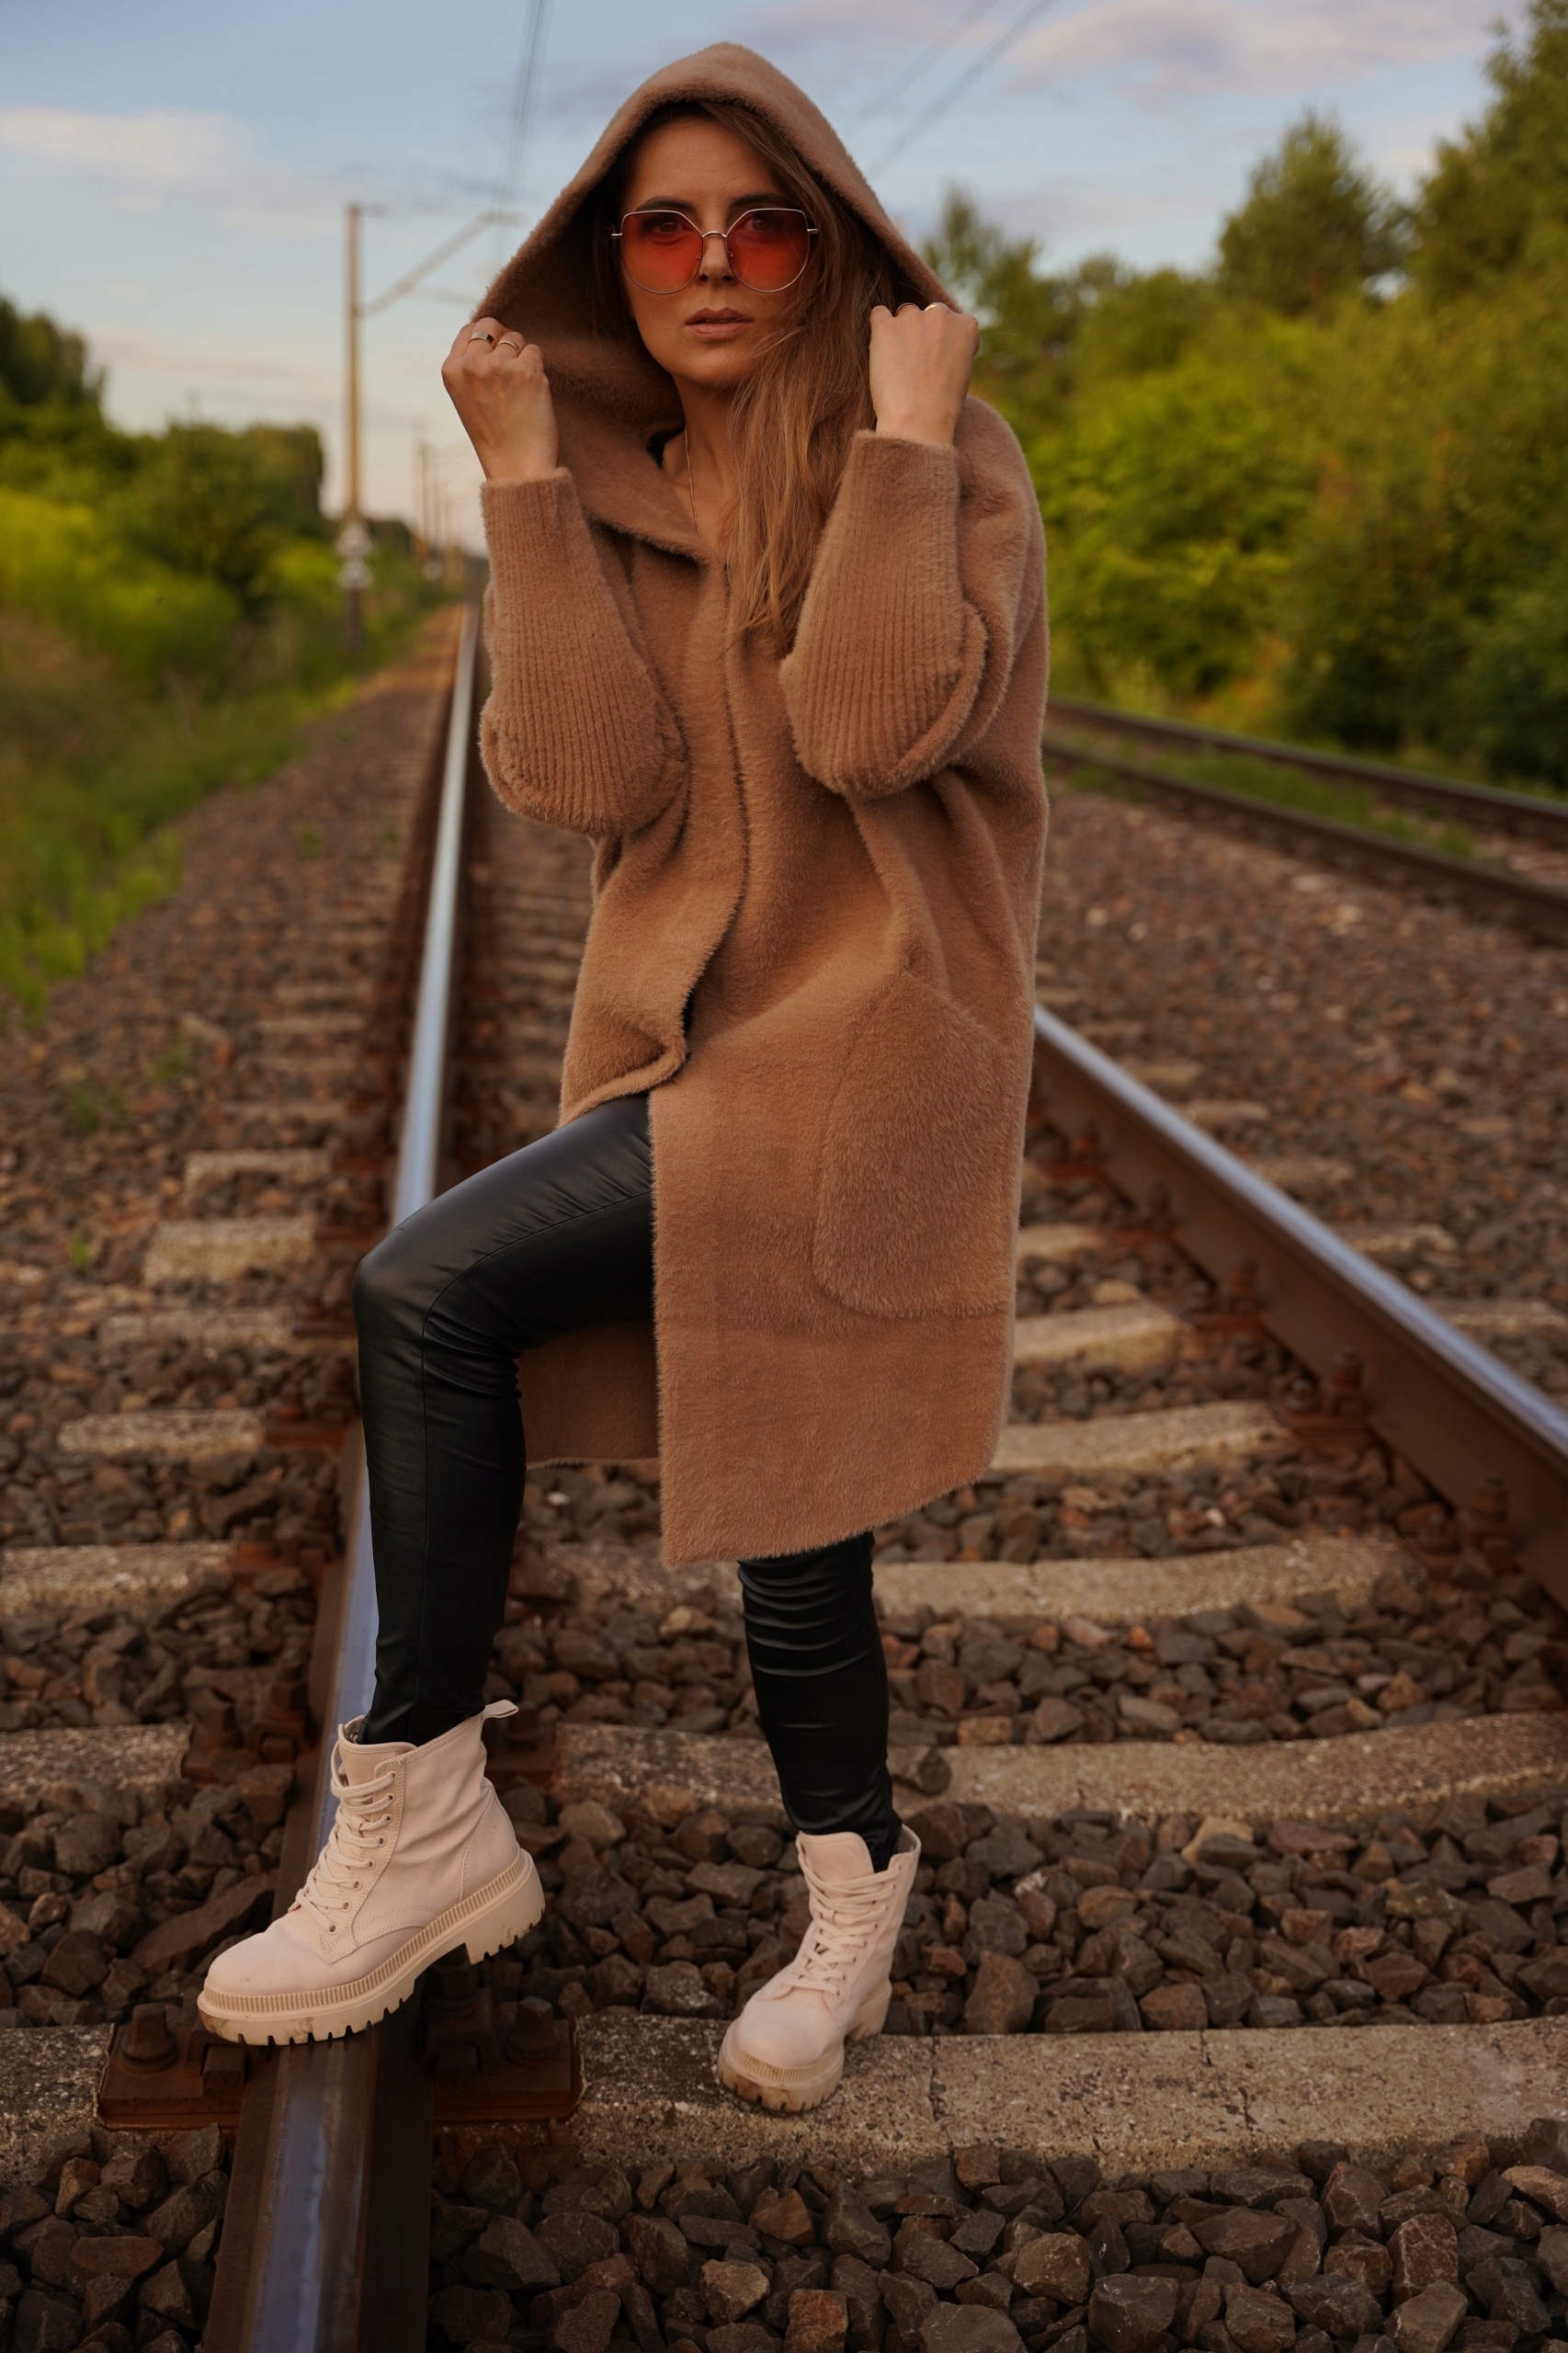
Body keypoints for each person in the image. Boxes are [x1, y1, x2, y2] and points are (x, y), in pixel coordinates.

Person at [199, 43, 1047, 2114]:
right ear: (614, 257)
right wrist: (522, 485)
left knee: (433, 1286)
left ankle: (429, 1804)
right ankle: (844, 1888)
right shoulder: (615, 483)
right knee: (789, 1506)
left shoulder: (952, 459)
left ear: (833, 249)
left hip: (870, 1055)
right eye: (664, 226)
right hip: (693, 1058)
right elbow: (585, 780)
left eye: (765, 223)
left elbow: (866, 730)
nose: (713, 262)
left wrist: (900, 445)